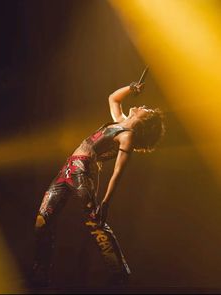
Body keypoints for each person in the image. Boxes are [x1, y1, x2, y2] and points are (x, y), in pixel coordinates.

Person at [32, 80, 165, 289]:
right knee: (42, 221)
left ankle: (120, 273)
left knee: (95, 223)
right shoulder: (119, 121)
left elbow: (118, 172)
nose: (141, 105)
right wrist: (131, 88)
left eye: (145, 109)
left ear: (145, 120)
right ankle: (40, 275)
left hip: (83, 172)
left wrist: (106, 202)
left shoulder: (127, 136)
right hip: (67, 170)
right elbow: (113, 98)